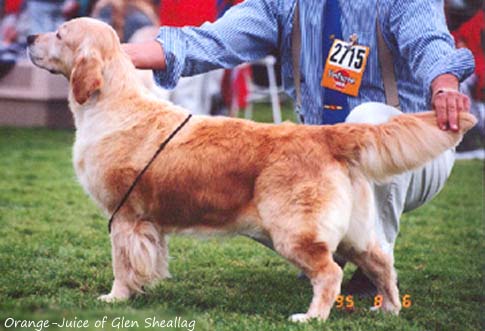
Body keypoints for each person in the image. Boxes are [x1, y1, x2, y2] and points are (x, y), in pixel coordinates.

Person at [121, 0, 474, 296]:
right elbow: (213, 40)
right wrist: (117, 54)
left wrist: (444, 85)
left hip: (412, 151)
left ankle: (372, 266)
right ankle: (325, 250)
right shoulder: (282, 3)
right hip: (325, 164)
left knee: (367, 125)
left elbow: (429, 43)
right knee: (261, 173)